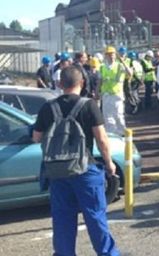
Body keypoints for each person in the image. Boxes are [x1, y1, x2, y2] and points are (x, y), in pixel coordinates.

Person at [32, 66, 120, 256]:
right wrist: (109, 163)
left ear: (60, 83)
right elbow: (101, 138)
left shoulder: (48, 107)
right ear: (82, 82)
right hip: (85, 169)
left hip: (58, 172)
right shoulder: (89, 105)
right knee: (95, 218)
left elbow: (36, 137)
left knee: (62, 220)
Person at [98, 47, 132, 136]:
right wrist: (97, 92)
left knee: (118, 115)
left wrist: (123, 62)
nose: (111, 56)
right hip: (106, 94)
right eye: (109, 54)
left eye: (112, 54)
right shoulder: (102, 67)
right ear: (105, 56)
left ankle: (122, 134)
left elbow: (130, 73)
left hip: (117, 94)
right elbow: (100, 80)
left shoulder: (119, 66)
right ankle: (110, 134)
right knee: (107, 117)